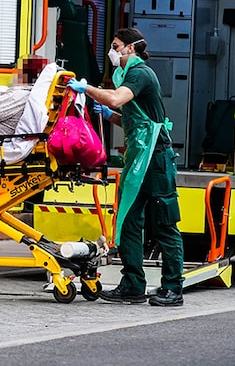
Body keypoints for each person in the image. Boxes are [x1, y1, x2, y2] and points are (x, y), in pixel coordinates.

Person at [67, 28, 184, 306]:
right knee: (130, 221)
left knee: (164, 223)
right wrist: (110, 117)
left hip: (155, 159)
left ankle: (173, 288)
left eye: (116, 46)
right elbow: (134, 118)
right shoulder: (127, 74)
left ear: (130, 48)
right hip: (138, 158)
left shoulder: (140, 73)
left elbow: (118, 98)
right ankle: (132, 285)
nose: (112, 51)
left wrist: (88, 90)